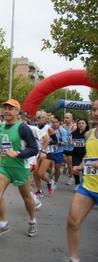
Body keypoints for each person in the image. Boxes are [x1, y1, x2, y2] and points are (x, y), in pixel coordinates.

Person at [0, 99, 39, 239]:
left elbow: (34, 148)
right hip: (5, 167)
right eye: (5, 108)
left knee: (27, 199)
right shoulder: (2, 126)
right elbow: (2, 143)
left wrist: (18, 153)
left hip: (20, 167)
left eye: (11, 108)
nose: (7, 111)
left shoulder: (23, 127)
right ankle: (2, 223)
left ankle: (32, 220)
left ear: (18, 112)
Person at [66, 99, 98, 262]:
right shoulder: (90, 134)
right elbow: (91, 154)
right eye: (94, 109)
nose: (96, 113)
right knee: (72, 220)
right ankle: (74, 258)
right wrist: (81, 165)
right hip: (89, 186)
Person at [33, 110, 58, 198]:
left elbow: (55, 141)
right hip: (37, 152)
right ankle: (40, 191)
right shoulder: (35, 127)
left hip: (47, 152)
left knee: (41, 173)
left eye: (39, 117)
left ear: (44, 119)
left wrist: (46, 143)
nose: (37, 119)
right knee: (35, 172)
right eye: (36, 117)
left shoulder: (48, 128)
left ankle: (49, 182)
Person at [70, 118, 90, 192]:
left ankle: (84, 184)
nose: (81, 125)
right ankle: (77, 183)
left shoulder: (88, 133)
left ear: (86, 124)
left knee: (85, 171)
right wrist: (72, 143)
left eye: (83, 123)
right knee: (75, 169)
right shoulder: (74, 133)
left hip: (86, 154)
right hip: (76, 154)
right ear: (77, 124)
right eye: (79, 123)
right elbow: (71, 141)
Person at [50, 115, 67, 191]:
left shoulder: (62, 131)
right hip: (49, 151)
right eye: (53, 122)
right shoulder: (48, 129)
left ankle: (56, 182)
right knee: (47, 167)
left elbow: (65, 143)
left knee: (57, 168)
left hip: (58, 151)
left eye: (57, 122)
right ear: (51, 122)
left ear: (59, 123)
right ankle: (50, 173)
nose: (55, 124)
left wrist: (58, 142)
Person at [63, 113, 77, 185]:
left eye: (67, 118)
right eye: (65, 118)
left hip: (71, 148)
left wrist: (73, 141)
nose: (65, 119)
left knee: (69, 164)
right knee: (59, 162)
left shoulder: (74, 127)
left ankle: (71, 178)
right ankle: (64, 165)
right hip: (63, 147)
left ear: (72, 118)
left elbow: (77, 136)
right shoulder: (63, 126)